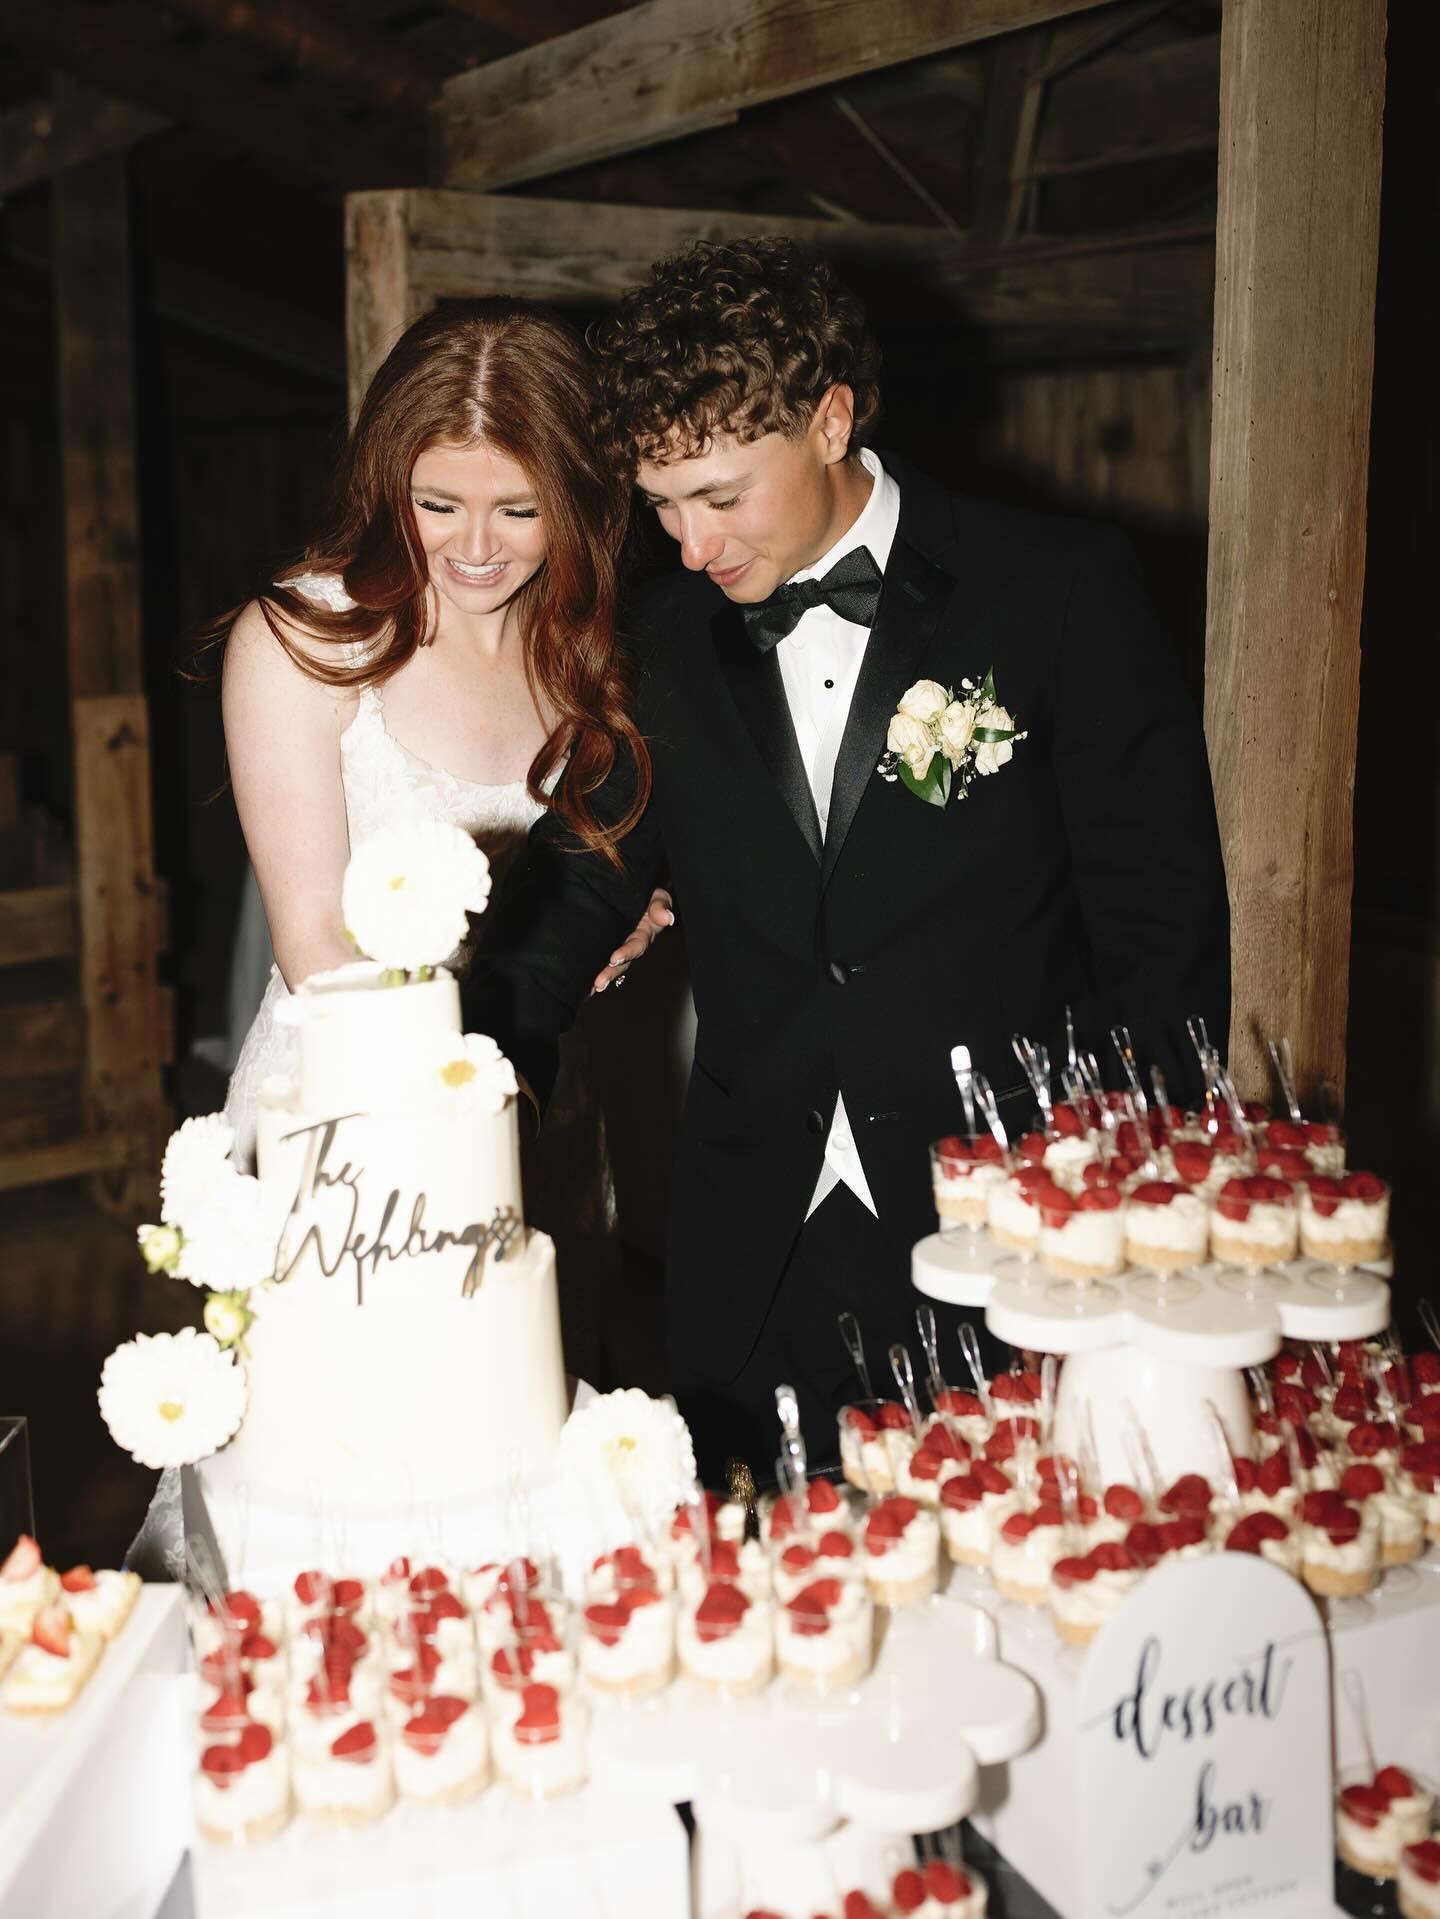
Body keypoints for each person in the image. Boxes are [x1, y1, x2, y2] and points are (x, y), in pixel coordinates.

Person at [463, 238, 1230, 1481]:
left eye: (720, 496)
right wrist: (472, 1076)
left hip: (1011, 1221)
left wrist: (1139, 1195)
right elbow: (587, 872)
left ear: (829, 419)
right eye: (661, 505)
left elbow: (1160, 921)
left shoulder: (1057, 591)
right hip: (753, 1236)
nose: (692, 544)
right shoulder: (661, 633)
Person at [217, 297, 671, 1386]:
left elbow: (595, 873)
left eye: (519, 509)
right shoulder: (302, 637)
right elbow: (316, 948)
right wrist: (461, 1122)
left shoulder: (593, 650)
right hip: (355, 1117)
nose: (476, 547)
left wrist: (626, 916)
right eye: (438, 502)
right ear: (388, 479)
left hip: (549, 1107)